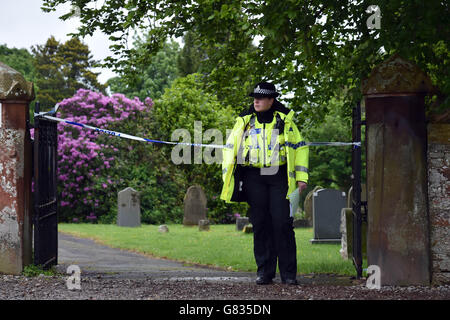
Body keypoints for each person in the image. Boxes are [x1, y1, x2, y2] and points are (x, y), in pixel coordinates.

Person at [220, 81, 309, 285]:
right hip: (254, 177)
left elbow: (300, 147)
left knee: (282, 223)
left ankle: (288, 274)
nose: (256, 101)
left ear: (271, 100)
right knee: (260, 224)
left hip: (279, 176)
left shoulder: (285, 121)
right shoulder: (245, 121)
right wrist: (232, 176)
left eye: (261, 97)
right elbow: (231, 147)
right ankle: (264, 272)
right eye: (255, 97)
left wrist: (302, 177)